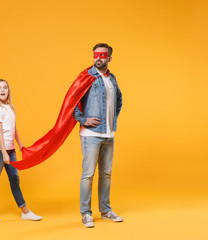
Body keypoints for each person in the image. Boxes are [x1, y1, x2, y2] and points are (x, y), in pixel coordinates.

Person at [73, 43, 123, 227]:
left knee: (106, 174)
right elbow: (72, 100)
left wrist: (112, 121)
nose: (98, 58)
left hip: (109, 134)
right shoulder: (86, 77)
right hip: (91, 134)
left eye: (102, 55)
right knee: (88, 174)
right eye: (96, 55)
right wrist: (83, 119)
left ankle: (105, 210)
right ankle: (85, 213)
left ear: (109, 58)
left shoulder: (112, 78)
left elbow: (119, 100)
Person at [0, 79, 42, 223]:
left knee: (14, 180)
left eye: (5, 87)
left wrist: (19, 144)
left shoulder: (10, 107)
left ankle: (25, 212)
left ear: (8, 90)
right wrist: (3, 153)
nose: (2, 90)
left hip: (11, 149)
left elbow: (13, 128)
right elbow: (0, 132)